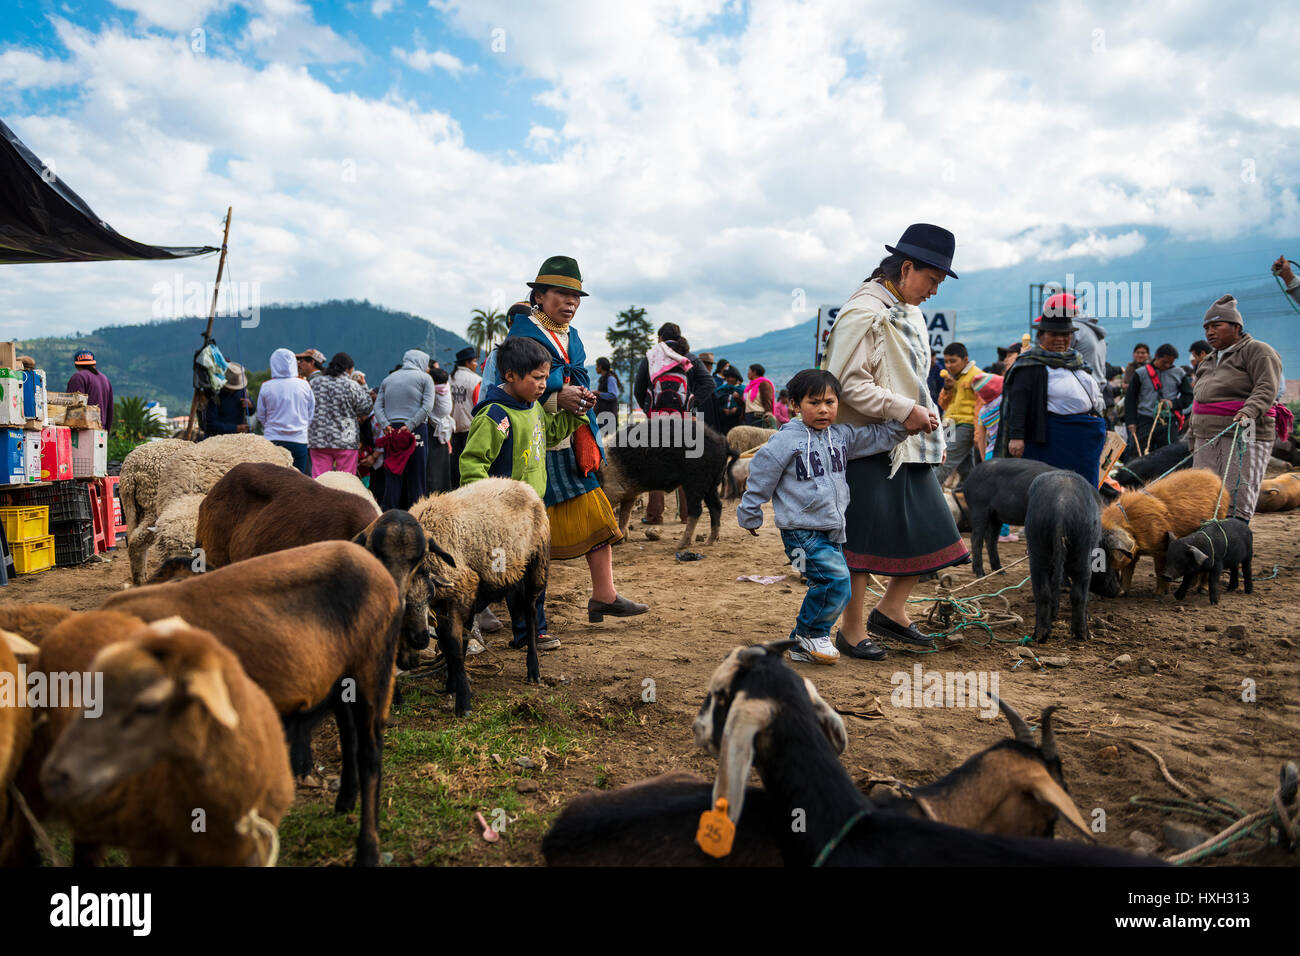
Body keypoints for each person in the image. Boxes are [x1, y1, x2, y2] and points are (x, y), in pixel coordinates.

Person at [821, 223, 966, 656]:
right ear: (906, 268)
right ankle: (850, 632)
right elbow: (846, 384)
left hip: (911, 443)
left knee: (933, 533)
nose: (934, 291)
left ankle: (890, 612)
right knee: (862, 543)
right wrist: (905, 410)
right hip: (870, 443)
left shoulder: (906, 310)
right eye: (932, 280)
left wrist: (918, 413)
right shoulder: (864, 311)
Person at [490, 256, 647, 646]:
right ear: (538, 296)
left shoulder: (570, 335)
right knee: (527, 537)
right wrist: (560, 394)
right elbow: (522, 389)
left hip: (570, 439)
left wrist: (579, 395)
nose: (570, 302)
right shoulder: (521, 334)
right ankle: (529, 626)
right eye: (561, 293)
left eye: (576, 296)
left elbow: (575, 374)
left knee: (596, 513)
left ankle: (604, 596)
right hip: (534, 446)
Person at [738, 369, 908, 663]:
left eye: (830, 402)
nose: (823, 409)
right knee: (836, 581)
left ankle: (804, 642)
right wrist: (750, 511)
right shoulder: (786, 440)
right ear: (794, 405)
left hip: (832, 529)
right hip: (800, 530)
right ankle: (811, 634)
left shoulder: (841, 437)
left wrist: (907, 425)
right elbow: (762, 473)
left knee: (830, 584)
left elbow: (875, 437)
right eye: (814, 402)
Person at [1187, 294, 1287, 523]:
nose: (1209, 332)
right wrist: (1192, 434)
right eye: (1206, 328)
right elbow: (1198, 399)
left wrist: (1248, 411)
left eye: (1216, 325)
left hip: (1245, 432)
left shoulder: (1258, 351)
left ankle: (1232, 539)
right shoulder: (1207, 361)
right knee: (1204, 493)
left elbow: (1266, 387)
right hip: (1206, 435)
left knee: (1237, 491)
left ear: (1236, 326)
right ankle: (1207, 545)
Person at [997, 311, 1107, 485]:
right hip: (1052, 438)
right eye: (1054, 334)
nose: (1060, 339)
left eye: (1065, 335)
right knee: (1054, 485)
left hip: (1083, 440)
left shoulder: (1075, 360)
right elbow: (1018, 402)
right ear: (1040, 336)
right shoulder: (1030, 364)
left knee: (1085, 486)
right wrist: (1016, 436)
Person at [635, 324, 714, 527]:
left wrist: (649, 409)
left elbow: (639, 388)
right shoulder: (691, 358)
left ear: (660, 337)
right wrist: (691, 403)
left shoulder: (652, 356)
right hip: (685, 419)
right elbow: (709, 384)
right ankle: (687, 515)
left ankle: (654, 516)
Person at [373, 348, 436, 509]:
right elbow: (427, 406)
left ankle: (389, 516)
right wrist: (409, 426)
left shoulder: (388, 379)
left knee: (393, 477)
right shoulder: (425, 378)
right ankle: (417, 516)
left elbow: (378, 406)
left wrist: (385, 424)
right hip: (415, 431)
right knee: (417, 477)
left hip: (392, 431)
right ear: (421, 362)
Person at [306, 352, 374, 476]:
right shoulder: (351, 385)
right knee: (346, 481)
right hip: (346, 439)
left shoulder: (315, 383)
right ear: (348, 369)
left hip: (318, 438)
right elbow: (366, 408)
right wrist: (363, 386)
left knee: (321, 480)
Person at [1123, 343, 1192, 456]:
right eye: (1164, 362)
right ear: (1156, 356)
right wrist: (1131, 421)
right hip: (1145, 419)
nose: (1168, 365)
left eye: (1171, 362)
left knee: (1169, 454)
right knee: (1139, 453)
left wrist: (1173, 404)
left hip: (1168, 421)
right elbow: (1130, 398)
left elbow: (1188, 396)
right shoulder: (1141, 373)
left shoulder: (1179, 373)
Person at [257, 348, 315, 474]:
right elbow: (311, 412)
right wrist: (303, 426)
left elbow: (261, 415)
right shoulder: (304, 385)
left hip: (273, 439)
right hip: (299, 440)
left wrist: (270, 426)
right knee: (298, 480)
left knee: (273, 478)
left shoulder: (266, 386)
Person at [934, 342, 981, 484]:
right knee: (964, 467)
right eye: (946, 361)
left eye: (953, 361)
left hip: (965, 424)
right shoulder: (952, 377)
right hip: (949, 423)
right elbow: (943, 404)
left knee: (945, 460)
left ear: (965, 360)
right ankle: (969, 492)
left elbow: (981, 406)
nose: (948, 365)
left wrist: (978, 433)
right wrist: (947, 388)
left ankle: (926, 493)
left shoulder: (977, 376)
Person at [448, 347, 482, 489]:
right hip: (470, 430)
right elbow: (479, 405)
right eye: (474, 361)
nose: (476, 365)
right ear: (467, 363)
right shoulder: (475, 380)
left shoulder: (449, 379)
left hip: (453, 431)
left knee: (454, 467)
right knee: (468, 466)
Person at [66, 349, 114, 431]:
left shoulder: (78, 377)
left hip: (84, 431)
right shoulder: (105, 379)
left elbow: (74, 408)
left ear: (76, 365)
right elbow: (110, 410)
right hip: (101, 430)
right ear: (94, 364)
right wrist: (106, 432)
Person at [426, 365, 455, 493]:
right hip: (443, 427)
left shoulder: (433, 390)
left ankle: (434, 490)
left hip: (435, 429)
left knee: (434, 466)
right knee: (442, 466)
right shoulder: (446, 387)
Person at [203, 362, 250, 436]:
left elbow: (251, 411)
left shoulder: (243, 392)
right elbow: (211, 424)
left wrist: (250, 406)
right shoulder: (216, 396)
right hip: (219, 439)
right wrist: (235, 428)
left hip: (239, 438)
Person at [742, 363, 778, 428]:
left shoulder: (764, 384)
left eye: (749, 371)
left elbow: (767, 400)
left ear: (754, 372)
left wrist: (768, 414)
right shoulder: (749, 386)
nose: (747, 373)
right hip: (749, 416)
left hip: (759, 416)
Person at [713, 365, 745, 434]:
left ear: (737, 378)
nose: (729, 379)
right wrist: (722, 410)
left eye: (732, 377)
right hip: (723, 422)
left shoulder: (743, 390)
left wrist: (737, 409)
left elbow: (746, 406)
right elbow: (715, 404)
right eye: (727, 377)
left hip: (737, 421)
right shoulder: (720, 390)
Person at [594, 357, 620, 434]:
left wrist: (598, 393)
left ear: (600, 367)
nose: (596, 368)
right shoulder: (604, 378)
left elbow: (613, 395)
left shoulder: (610, 379)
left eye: (596, 366)